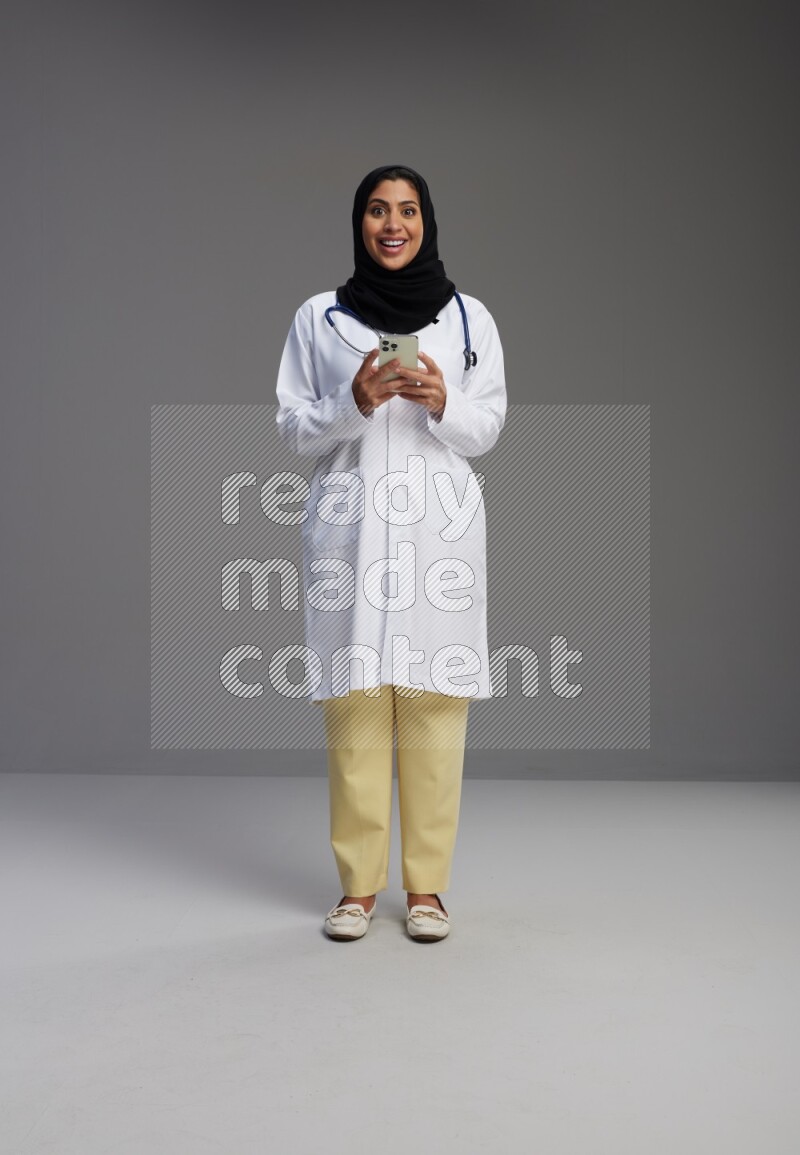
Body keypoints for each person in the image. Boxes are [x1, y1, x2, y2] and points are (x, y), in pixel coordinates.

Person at [275, 164, 506, 942]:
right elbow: (292, 426)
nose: (392, 223)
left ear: (427, 220)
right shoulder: (320, 317)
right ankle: (358, 889)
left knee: (436, 709)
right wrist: (355, 404)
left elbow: (490, 426)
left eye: (407, 209)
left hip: (438, 534)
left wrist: (443, 402)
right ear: (359, 223)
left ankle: (429, 889)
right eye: (377, 210)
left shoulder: (468, 318)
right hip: (351, 532)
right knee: (356, 710)